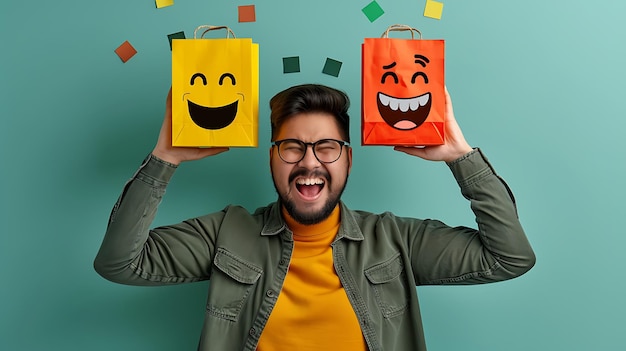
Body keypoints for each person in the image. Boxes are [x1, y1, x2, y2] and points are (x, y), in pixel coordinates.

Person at [94, 84, 535, 351]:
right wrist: (164, 158)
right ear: (272, 158)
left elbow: (509, 258)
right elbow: (119, 263)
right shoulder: (226, 232)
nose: (309, 163)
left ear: (347, 160)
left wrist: (461, 157)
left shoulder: (396, 240)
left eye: (326, 147)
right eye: (292, 147)